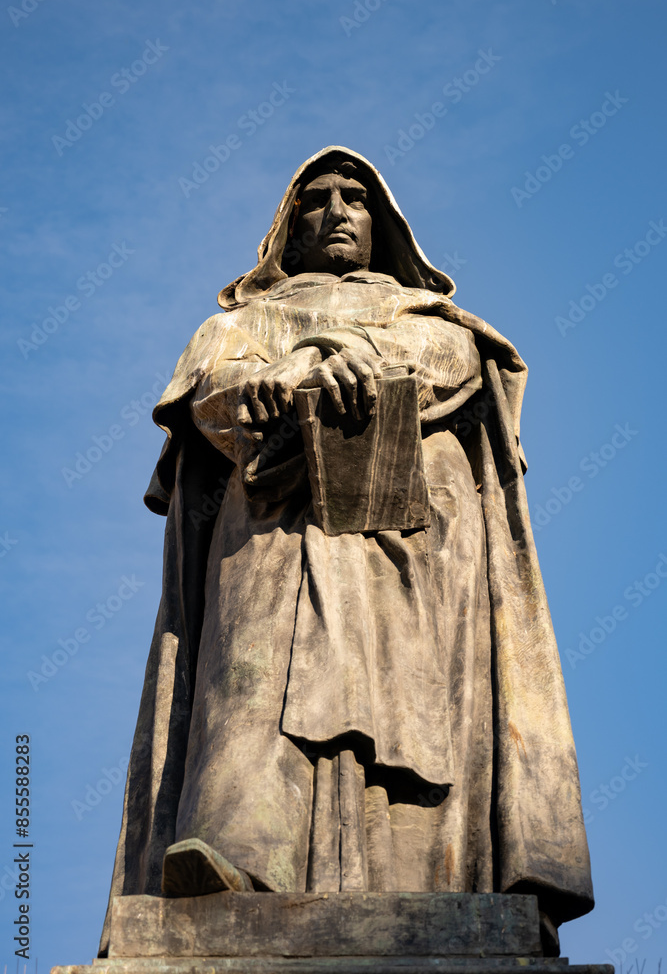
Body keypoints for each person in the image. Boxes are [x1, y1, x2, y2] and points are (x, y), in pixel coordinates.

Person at [99, 147, 593, 957]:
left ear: (381, 224)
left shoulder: (425, 318)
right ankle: (234, 850)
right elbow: (203, 399)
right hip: (272, 529)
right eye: (317, 201)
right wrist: (278, 374)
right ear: (287, 231)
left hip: (410, 548)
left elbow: (461, 366)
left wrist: (360, 358)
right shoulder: (236, 324)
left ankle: (424, 878)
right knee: (251, 670)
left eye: (355, 199)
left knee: (410, 706)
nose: (336, 212)